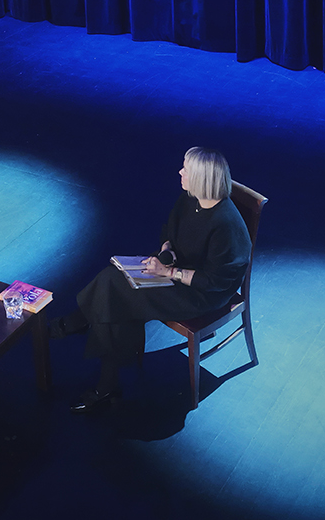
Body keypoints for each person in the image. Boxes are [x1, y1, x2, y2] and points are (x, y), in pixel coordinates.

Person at [49, 147, 250, 413]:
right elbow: (169, 231)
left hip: (201, 294)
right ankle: (105, 381)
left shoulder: (226, 225)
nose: (180, 172)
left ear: (202, 179)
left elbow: (216, 282)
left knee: (114, 292)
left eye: (186, 169)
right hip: (176, 270)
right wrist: (167, 252)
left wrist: (169, 273)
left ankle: (77, 324)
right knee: (114, 290)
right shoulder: (190, 199)